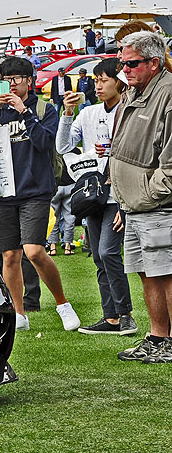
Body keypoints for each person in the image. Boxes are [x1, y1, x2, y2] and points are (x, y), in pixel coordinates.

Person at [0, 55, 80, 332]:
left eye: (15, 79)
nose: (11, 85)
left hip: (36, 190)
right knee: (9, 255)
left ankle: (63, 304)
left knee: (35, 251)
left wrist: (24, 112)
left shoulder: (43, 109)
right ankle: (19, 314)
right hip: (4, 191)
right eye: (5, 81)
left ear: (29, 81)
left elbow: (46, 143)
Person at [56, 57, 136, 336]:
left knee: (107, 252)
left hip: (118, 195)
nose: (98, 86)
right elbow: (63, 146)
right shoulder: (88, 113)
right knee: (99, 258)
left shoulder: (129, 111)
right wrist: (67, 113)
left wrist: (124, 205)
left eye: (104, 80)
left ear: (119, 82)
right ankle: (111, 317)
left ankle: (125, 315)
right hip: (92, 195)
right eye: (96, 81)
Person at [110, 31, 172, 362]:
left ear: (154, 63)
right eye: (122, 62)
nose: (125, 69)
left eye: (131, 63)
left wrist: (151, 193)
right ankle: (158, 337)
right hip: (135, 205)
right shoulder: (136, 91)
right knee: (148, 273)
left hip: (156, 205)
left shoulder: (168, 93)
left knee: (167, 274)